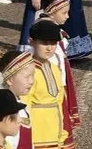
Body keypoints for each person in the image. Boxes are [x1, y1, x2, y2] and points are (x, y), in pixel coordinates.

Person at [35, 0, 80, 139]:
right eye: (64, 13)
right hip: (50, 74)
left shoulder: (51, 27)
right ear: (51, 11)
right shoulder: (44, 29)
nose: (67, 16)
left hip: (57, 72)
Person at [24, 19, 69, 148]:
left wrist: (62, 132)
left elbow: (59, 101)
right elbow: (24, 105)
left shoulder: (54, 68)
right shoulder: (27, 71)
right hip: (37, 133)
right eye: (44, 43)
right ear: (32, 42)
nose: (49, 48)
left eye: (53, 43)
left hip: (54, 130)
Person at [0, 49, 35, 148]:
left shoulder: (17, 101)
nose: (31, 81)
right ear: (9, 80)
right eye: (27, 77)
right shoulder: (5, 110)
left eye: (33, 75)